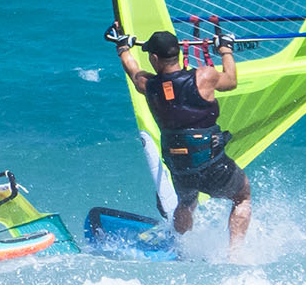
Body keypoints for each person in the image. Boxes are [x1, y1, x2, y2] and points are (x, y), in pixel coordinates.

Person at [107, 25, 252, 251]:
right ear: (179, 53)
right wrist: (225, 49)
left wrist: (123, 47)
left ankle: (179, 246)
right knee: (242, 196)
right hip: (210, 160)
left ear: (154, 58)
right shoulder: (205, 76)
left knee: (186, 201)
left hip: (180, 164)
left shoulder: (148, 84)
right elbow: (231, 81)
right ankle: (235, 255)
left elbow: (133, 70)